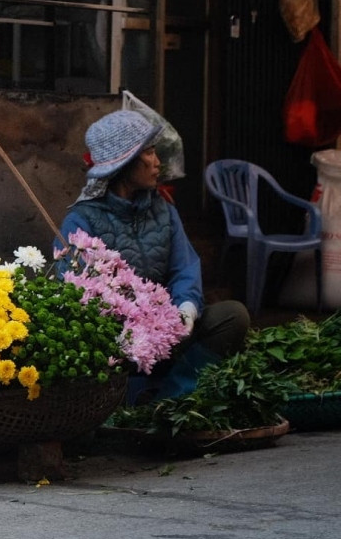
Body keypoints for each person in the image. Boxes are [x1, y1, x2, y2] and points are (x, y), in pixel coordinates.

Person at [57, 109, 250, 401]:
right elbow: (77, 294)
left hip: (167, 332)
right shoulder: (81, 222)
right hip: (118, 342)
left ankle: (173, 396)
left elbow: (184, 269)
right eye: (148, 153)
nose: (158, 162)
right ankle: (125, 398)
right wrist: (134, 327)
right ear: (123, 164)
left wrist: (185, 309)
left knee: (232, 316)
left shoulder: (164, 212)